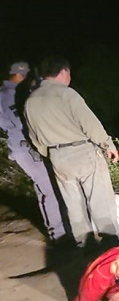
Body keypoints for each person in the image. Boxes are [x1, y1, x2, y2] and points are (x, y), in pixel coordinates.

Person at [24, 56, 119, 249]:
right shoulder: (66, 94)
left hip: (57, 157)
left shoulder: (30, 101)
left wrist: (50, 153)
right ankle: (110, 244)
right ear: (63, 72)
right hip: (82, 151)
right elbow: (89, 123)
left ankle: (84, 244)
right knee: (99, 199)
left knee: (73, 204)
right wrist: (107, 144)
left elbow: (34, 136)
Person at [0, 61, 67, 242]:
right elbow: (22, 121)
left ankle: (56, 231)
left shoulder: (8, 93)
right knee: (49, 188)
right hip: (25, 147)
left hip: (22, 147)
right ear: (20, 75)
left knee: (43, 188)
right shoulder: (9, 95)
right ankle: (59, 234)